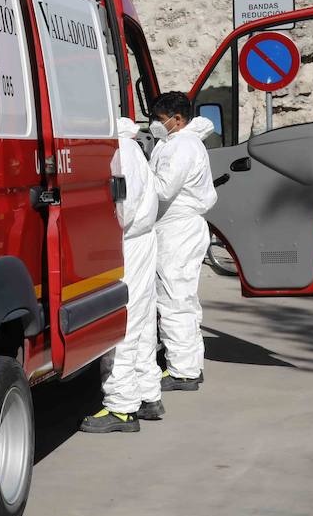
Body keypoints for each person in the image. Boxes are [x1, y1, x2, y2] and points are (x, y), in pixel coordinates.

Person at [80, 116, 162, 433]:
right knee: (140, 321)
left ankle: (121, 406)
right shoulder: (131, 148)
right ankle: (148, 395)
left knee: (123, 322)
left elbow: (122, 207)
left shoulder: (121, 152)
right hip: (141, 242)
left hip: (128, 244)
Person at [147, 92, 218, 392]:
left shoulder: (181, 147)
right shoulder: (181, 142)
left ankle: (183, 371)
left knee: (174, 298)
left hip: (178, 230)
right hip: (182, 228)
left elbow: (163, 188)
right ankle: (190, 364)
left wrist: (136, 178)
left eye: (161, 121)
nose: (156, 126)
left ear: (178, 120)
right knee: (184, 298)